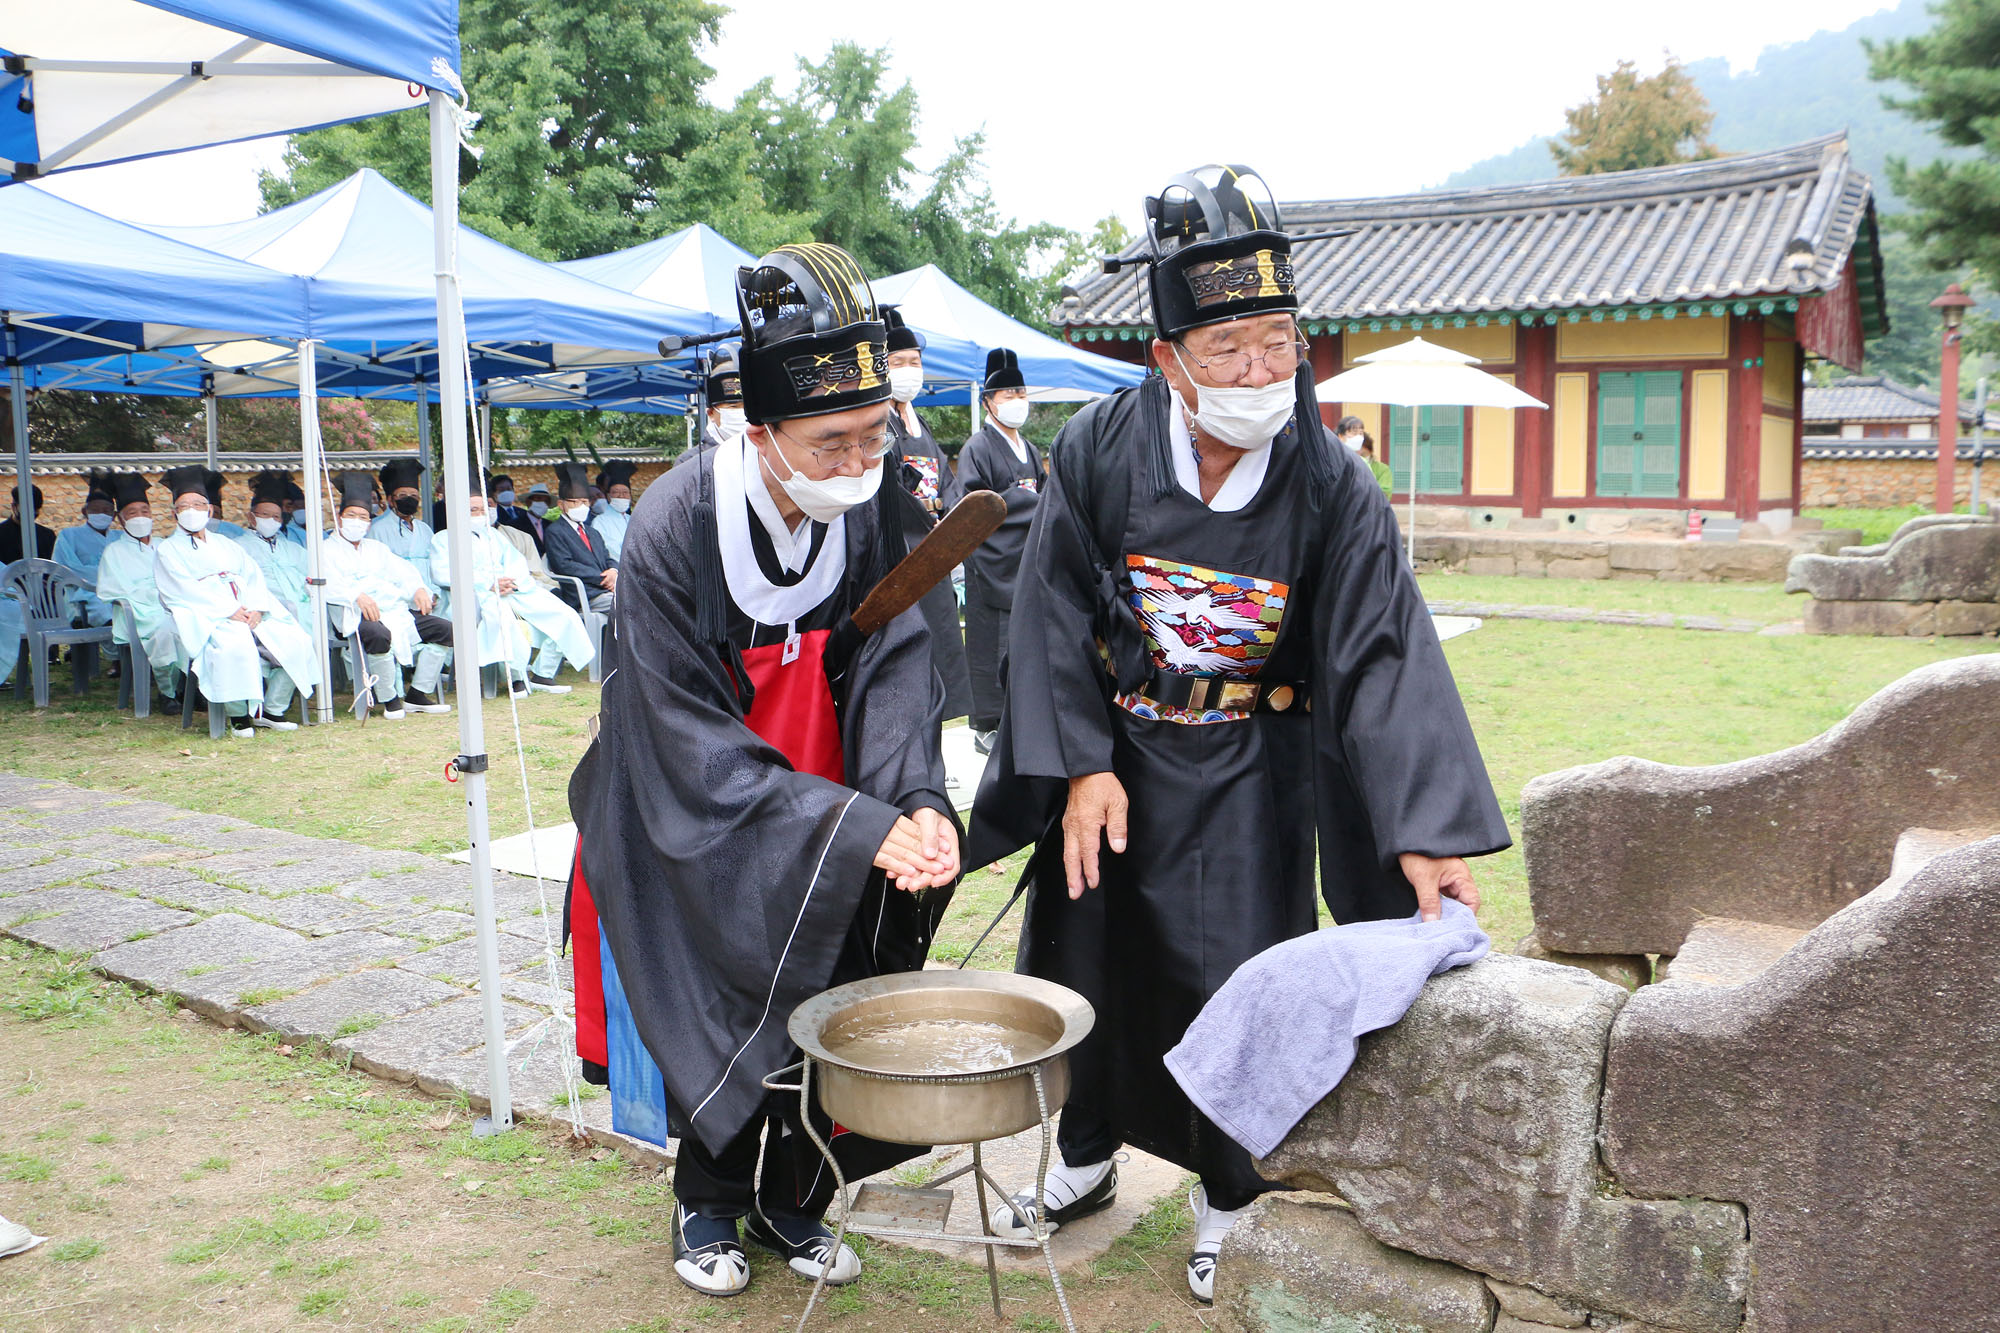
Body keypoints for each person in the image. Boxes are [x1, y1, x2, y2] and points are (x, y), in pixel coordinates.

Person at [968, 164, 1510, 1304]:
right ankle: (1082, 1152)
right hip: (1117, 755)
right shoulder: (1098, 449)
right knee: (1084, 956)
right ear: (1165, 357)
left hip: (1251, 765)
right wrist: (1077, 766)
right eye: (1228, 350)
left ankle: (1228, 1193)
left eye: (1278, 339)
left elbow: (1380, 653)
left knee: (1238, 976)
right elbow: (1051, 609)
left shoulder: (1330, 481)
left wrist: (1422, 830)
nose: (1261, 370)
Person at [567, 241, 959, 1299]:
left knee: (831, 980)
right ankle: (705, 1197)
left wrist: (911, 799)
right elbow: (675, 723)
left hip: (833, 792)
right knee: (719, 989)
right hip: (692, 796)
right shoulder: (672, 526)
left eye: (873, 435)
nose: (853, 463)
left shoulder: (872, 502)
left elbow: (891, 658)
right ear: (759, 430)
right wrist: (840, 820)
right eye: (828, 441)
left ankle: (796, 1197)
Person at [153, 465, 317, 736]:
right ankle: (239, 716)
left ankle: (272, 710)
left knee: (296, 640)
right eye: (184, 506)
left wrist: (256, 608)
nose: (192, 510)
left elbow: (252, 576)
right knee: (234, 647)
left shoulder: (226, 544)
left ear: (209, 510)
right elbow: (180, 589)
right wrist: (228, 610)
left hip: (246, 608)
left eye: (198, 504)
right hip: (207, 616)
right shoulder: (168, 549)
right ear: (174, 513)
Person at [882, 307, 973, 721]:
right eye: (898, 362)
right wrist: (926, 515)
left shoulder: (921, 424)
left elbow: (948, 485)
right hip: (900, 555)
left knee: (941, 651)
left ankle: (934, 738)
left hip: (933, 551)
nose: (908, 370)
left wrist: (950, 520)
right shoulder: (879, 423)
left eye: (914, 362)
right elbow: (890, 489)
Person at [955, 347, 1042, 752]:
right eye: (1007, 395)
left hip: (1028, 554)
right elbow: (977, 502)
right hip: (994, 557)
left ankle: (1020, 712)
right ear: (988, 401)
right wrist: (1030, 505)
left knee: (1026, 636)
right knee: (992, 640)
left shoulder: (1029, 447)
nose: (1016, 401)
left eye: (1020, 392)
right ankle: (986, 723)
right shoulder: (978, 446)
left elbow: (1046, 494)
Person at [431, 481, 591, 695]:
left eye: (482, 509)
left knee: (564, 613)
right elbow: (442, 573)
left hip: (512, 592)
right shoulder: (443, 539)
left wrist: (511, 582)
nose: (479, 514)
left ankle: (543, 673)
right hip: (476, 597)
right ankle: (516, 678)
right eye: (472, 510)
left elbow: (516, 564)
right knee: (503, 619)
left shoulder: (495, 536)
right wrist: (486, 584)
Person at [321, 473, 453, 719]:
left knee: (446, 629)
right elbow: (326, 585)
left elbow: (403, 572)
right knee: (380, 634)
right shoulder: (325, 550)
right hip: (352, 615)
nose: (357, 522)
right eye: (351, 516)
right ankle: (389, 698)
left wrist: (419, 588)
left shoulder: (377, 549)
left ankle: (417, 694)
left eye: (363, 517)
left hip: (393, 611)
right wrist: (356, 596)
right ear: (339, 519)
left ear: (369, 523)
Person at [94, 473, 186, 706]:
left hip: (173, 605)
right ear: (121, 519)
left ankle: (191, 688)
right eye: (132, 513)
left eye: (144, 511)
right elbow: (111, 590)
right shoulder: (113, 551)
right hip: (140, 613)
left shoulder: (164, 545)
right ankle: (168, 691)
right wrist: (152, 595)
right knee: (165, 628)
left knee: (192, 622)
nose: (140, 517)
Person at [235, 471, 314, 629]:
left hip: (302, 610)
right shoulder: (237, 547)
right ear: (251, 517)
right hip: (263, 612)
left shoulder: (292, 548)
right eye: (265, 515)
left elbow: (311, 571)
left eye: (276, 516)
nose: (271, 520)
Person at [543, 462, 616, 616]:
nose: (581, 506)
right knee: (627, 606)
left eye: (584, 502)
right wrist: (603, 578)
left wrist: (614, 571)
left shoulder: (592, 532)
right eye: (574, 502)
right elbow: (565, 566)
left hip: (607, 590)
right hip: (583, 595)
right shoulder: (554, 531)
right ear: (561, 504)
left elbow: (607, 557)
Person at [51, 470, 119, 627]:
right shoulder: (69, 535)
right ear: (85, 512)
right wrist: (111, 576)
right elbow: (67, 569)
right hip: (82, 595)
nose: (101, 514)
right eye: (95, 510)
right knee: (101, 608)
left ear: (114, 515)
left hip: (120, 593)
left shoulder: (120, 537)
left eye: (107, 510)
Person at [369, 458, 438, 591]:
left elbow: (434, 565)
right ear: (391, 500)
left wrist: (435, 593)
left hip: (430, 599)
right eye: (402, 495)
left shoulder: (424, 529)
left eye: (414, 495)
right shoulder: (377, 530)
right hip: (396, 601)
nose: (409, 498)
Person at [592, 461, 637, 564]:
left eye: (625, 492)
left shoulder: (633, 519)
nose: (621, 496)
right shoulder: (600, 521)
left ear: (630, 496)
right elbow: (609, 549)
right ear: (608, 496)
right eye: (616, 492)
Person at [0, 485, 57, 563]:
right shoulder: (2, 533)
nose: (32, 512)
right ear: (14, 506)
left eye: (35, 509)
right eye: (27, 509)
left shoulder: (47, 535)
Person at [490, 474, 544, 553]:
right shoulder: (494, 514)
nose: (506, 492)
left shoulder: (522, 512)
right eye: (501, 490)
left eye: (509, 489)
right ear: (493, 494)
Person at [199, 470, 246, 539]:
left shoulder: (236, 532)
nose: (211, 516)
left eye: (215, 512)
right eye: (207, 512)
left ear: (221, 516)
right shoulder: (191, 532)